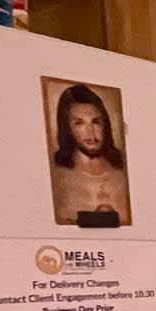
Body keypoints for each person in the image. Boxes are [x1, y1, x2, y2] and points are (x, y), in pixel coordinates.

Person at [50, 83, 131, 224]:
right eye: (79, 123)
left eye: (96, 122)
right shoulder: (58, 176)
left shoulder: (124, 170)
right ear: (68, 128)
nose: (90, 132)